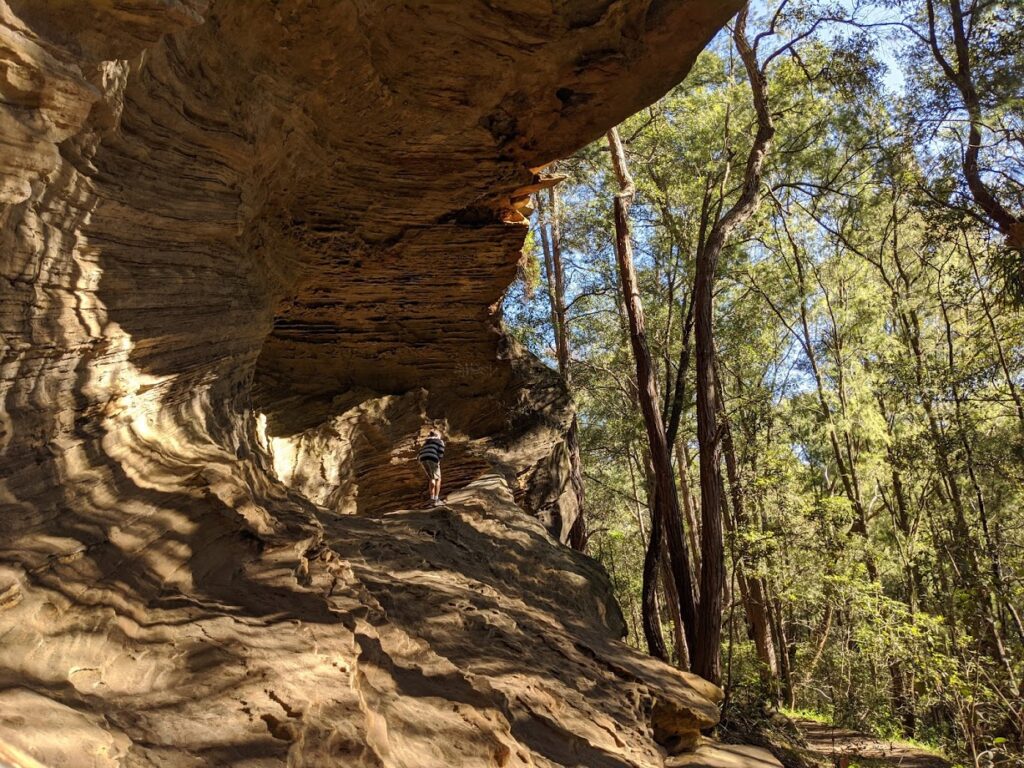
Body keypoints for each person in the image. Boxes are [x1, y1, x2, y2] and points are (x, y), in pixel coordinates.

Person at [418, 428, 445, 506]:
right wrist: (438, 461)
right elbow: (440, 452)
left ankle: (432, 498)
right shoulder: (439, 441)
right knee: (438, 479)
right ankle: (436, 500)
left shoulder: (426, 442)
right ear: (438, 435)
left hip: (422, 458)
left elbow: (421, 451)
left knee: (431, 479)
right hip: (432, 458)